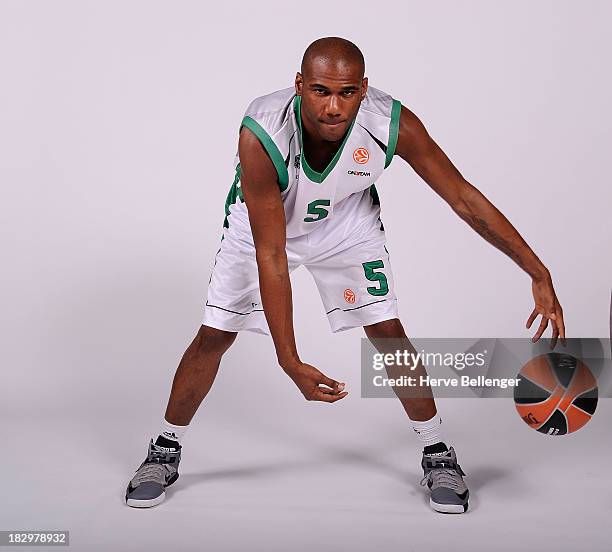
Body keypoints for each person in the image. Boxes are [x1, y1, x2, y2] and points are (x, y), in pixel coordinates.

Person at [125, 37, 565, 514]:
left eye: (347, 93)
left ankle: (437, 451)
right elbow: (272, 255)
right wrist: (289, 360)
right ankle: (165, 449)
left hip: (345, 224)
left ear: (364, 89)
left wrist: (537, 271)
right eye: (319, 91)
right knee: (215, 334)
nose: (333, 107)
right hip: (262, 227)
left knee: (388, 332)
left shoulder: (391, 123)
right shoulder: (262, 132)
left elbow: (462, 196)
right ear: (299, 86)